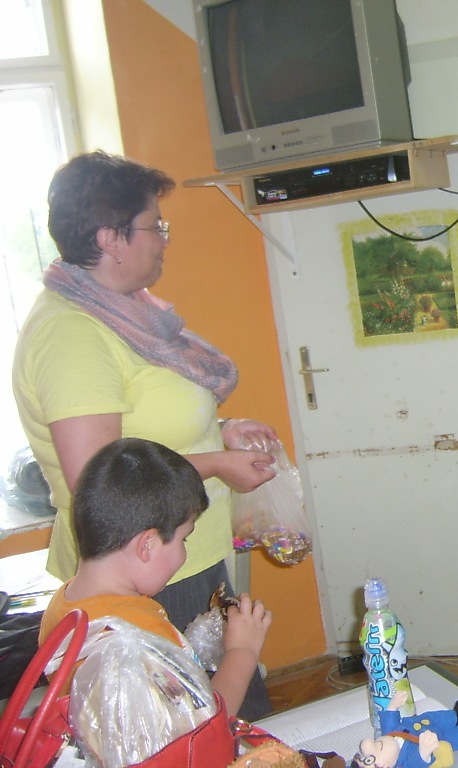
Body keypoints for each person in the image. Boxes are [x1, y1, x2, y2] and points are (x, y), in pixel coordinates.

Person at [13, 150, 277, 718]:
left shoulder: (123, 313)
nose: (163, 240)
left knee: (220, 715)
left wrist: (220, 432)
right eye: (155, 226)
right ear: (110, 239)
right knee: (203, 727)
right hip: (144, 567)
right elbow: (101, 479)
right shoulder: (73, 335)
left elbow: (145, 426)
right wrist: (215, 464)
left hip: (176, 551)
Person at [38, 437, 272, 717]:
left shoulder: (65, 603)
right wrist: (242, 652)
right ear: (147, 544)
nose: (183, 554)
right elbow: (201, 725)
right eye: (184, 539)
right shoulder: (137, 637)